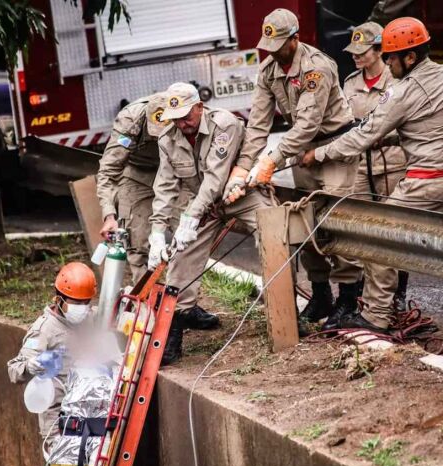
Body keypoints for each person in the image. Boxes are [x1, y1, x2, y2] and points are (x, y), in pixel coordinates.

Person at [301, 17, 443, 332]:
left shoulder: (403, 90)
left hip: (430, 181)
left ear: (410, 57)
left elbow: (363, 135)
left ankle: (376, 316)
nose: (387, 62)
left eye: (391, 57)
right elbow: (436, 123)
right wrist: (399, 135)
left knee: (378, 234)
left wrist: (318, 153)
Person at [226, 7, 360, 332]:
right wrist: (244, 169)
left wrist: (272, 160)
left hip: (333, 148)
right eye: (267, 47)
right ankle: (321, 293)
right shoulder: (267, 71)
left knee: (337, 224)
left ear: (295, 39)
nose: (272, 54)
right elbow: (257, 125)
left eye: (279, 47)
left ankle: (349, 299)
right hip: (302, 154)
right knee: (306, 222)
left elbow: (306, 125)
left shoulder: (317, 68)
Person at [149, 82, 273, 363]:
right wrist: (157, 233)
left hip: (240, 194)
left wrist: (190, 217)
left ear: (199, 107)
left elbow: (216, 179)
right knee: (181, 257)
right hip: (204, 203)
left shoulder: (224, 124)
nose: (182, 123)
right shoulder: (167, 138)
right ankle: (175, 326)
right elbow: (165, 186)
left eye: (186, 116)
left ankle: (283, 311)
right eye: (176, 118)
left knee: (272, 233)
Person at [94, 92, 219, 332]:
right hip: (138, 175)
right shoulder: (130, 121)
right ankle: (150, 311)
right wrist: (109, 215)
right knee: (139, 245)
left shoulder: (187, 113)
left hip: (176, 175)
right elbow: (108, 172)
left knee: (190, 237)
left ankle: (184, 307)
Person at [319, 21, 410, 331]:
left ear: (379, 50)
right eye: (353, 51)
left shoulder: (397, 81)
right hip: (360, 165)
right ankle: (357, 296)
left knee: (394, 230)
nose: (355, 56)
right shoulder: (351, 83)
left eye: (362, 51)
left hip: (391, 162)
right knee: (357, 228)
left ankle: (396, 296)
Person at [6, 261, 97, 439]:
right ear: (59, 299)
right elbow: (13, 370)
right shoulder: (44, 330)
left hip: (90, 413)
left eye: (86, 302)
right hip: (58, 421)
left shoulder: (89, 318)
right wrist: (31, 366)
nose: (82, 308)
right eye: (76, 303)